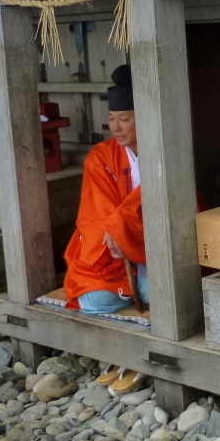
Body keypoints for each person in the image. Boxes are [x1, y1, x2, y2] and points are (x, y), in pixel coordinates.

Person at [63, 64, 149, 316]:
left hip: (154, 241)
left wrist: (124, 223)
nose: (116, 127)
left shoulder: (163, 150)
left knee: (168, 288)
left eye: (124, 119)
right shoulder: (100, 157)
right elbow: (98, 210)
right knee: (93, 300)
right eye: (111, 118)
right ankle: (133, 290)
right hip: (112, 248)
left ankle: (139, 290)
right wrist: (118, 231)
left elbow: (162, 195)